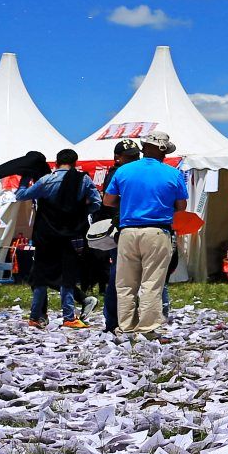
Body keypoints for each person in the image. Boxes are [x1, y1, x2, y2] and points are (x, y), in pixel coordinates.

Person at [102, 130, 188, 336]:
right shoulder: (173, 173)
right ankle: (147, 329)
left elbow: (108, 201)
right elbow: (181, 206)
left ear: (144, 148)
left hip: (128, 232)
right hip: (157, 232)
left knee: (125, 284)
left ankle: (126, 327)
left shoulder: (123, 171)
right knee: (152, 283)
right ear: (162, 151)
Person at [15, 148, 102, 329]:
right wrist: (79, 212)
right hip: (69, 234)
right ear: (75, 163)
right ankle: (68, 317)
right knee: (67, 277)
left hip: (45, 236)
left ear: (56, 162)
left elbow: (21, 195)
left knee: (40, 276)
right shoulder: (83, 180)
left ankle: (35, 316)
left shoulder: (46, 180)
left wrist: (25, 177)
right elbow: (96, 203)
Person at [90, 139, 139, 331]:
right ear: (118, 158)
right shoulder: (116, 175)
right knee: (119, 276)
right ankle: (112, 321)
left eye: (136, 156)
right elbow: (109, 202)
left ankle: (125, 319)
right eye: (130, 157)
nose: (135, 160)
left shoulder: (131, 172)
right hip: (121, 230)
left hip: (130, 228)